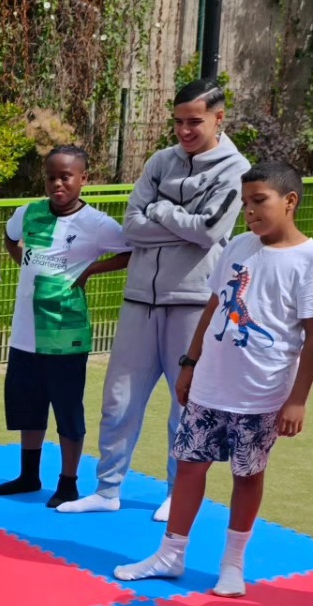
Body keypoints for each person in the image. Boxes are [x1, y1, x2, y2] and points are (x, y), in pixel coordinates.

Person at [113, 162, 313, 594]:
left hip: (261, 393)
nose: (250, 211)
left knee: (247, 475)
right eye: (246, 202)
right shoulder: (237, 247)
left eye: (260, 202)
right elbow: (214, 305)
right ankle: (171, 553)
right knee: (190, 466)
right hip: (209, 385)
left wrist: (298, 399)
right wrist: (189, 363)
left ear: (290, 202)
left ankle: (233, 564)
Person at [58, 80, 250, 520]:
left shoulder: (235, 170)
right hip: (139, 301)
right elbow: (132, 227)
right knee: (118, 399)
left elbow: (209, 232)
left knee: (186, 405)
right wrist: (180, 223)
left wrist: (161, 212)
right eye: (178, 121)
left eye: (194, 122)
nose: (184, 130)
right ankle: (107, 490)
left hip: (194, 303)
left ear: (219, 119)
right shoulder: (160, 162)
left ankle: (175, 493)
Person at [0, 144, 131, 506]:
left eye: (66, 177)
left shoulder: (97, 224)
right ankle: (28, 475)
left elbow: (131, 251)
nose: (57, 184)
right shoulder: (29, 213)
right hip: (25, 333)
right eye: (51, 177)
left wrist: (90, 271)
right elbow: (9, 237)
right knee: (28, 404)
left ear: (83, 179)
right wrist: (24, 261)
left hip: (65, 334)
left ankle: (68, 481)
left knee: (67, 408)